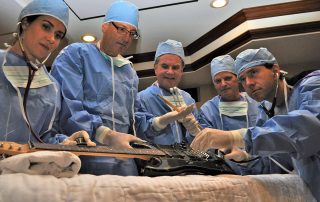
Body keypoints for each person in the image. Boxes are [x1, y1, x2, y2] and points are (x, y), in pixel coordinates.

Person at [191, 47, 320, 200]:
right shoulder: (266, 111)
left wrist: (236, 136)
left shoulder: (313, 85)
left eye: (253, 72)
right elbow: (276, 163)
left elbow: (309, 128)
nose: (249, 83)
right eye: (243, 79)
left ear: (275, 70)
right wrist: (245, 158)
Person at [50, 0, 143, 175]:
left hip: (126, 161)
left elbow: (133, 118)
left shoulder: (129, 72)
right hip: (85, 155)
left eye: (132, 33)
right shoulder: (76, 54)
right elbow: (68, 106)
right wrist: (106, 135)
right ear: (104, 26)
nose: (126, 38)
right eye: (121, 29)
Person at [0, 0, 95, 146]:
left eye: (58, 35)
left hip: (23, 167)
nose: (51, 39)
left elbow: (43, 138)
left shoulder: (51, 87)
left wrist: (63, 141)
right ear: (25, 23)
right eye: (46, 26)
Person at [198, 55, 293, 175]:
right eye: (217, 81)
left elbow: (279, 138)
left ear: (237, 79)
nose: (223, 84)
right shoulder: (208, 110)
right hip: (227, 172)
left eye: (227, 78)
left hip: (266, 169)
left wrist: (235, 139)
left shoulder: (259, 101)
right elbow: (203, 146)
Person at [135, 39, 200, 145]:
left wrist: (195, 132)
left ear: (181, 70)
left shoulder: (188, 99)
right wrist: (158, 123)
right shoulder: (142, 98)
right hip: (157, 160)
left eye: (175, 67)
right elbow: (137, 136)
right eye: (164, 66)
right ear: (155, 68)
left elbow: (198, 146)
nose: (170, 72)